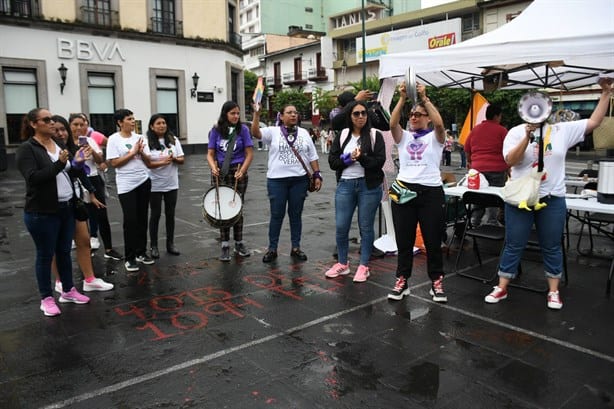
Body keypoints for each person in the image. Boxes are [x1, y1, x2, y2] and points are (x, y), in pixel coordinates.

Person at [484, 78, 613, 310]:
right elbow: (510, 161)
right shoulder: (514, 132)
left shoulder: (562, 130)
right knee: (514, 243)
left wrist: (605, 94)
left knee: (552, 244)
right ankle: (502, 286)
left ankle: (553, 291)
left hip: (552, 197)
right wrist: (527, 137)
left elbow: (594, 122)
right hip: (521, 198)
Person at [15, 108, 91, 316]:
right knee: (45, 255)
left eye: (51, 119)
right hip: (42, 211)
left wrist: (78, 163)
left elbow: (69, 172)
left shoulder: (57, 144)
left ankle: (68, 290)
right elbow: (33, 178)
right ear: (33, 124)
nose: (52, 123)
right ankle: (46, 298)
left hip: (66, 207)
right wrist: (59, 163)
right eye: (46, 120)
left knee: (64, 252)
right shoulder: (27, 149)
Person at [387, 82, 448, 303]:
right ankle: (402, 280)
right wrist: (402, 99)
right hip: (403, 188)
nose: (413, 117)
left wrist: (425, 100)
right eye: (412, 115)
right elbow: (392, 122)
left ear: (427, 118)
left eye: (419, 115)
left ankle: (437, 281)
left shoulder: (435, 137)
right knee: (404, 240)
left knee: (433, 241)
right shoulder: (403, 137)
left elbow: (440, 125)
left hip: (430, 191)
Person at [251, 104, 322, 263]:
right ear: (281, 116)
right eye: (289, 112)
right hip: (277, 181)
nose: (293, 115)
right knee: (277, 215)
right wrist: (256, 115)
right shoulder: (273, 131)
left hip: (300, 180)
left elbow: (312, 155)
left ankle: (296, 247)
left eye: (295, 112)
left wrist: (317, 174)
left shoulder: (304, 133)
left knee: (296, 215)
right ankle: (272, 248)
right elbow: (256, 133)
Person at [51, 115, 114, 292]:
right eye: (57, 130)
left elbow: (80, 173)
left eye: (63, 129)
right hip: (53, 204)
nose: (61, 133)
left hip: (74, 200)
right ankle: (60, 281)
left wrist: (92, 194)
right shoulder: (45, 150)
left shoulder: (71, 147)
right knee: (58, 245)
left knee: (84, 240)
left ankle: (89, 279)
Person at [325, 101, 386, 282]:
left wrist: (362, 158)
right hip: (346, 184)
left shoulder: (375, 135)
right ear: (350, 117)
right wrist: (349, 159)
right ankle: (343, 264)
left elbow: (378, 163)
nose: (361, 117)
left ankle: (363, 266)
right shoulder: (343, 135)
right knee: (341, 226)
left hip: (369, 186)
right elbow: (332, 161)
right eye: (356, 114)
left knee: (366, 227)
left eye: (363, 113)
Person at [106, 108, 154, 272]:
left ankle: (141, 252)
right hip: (126, 184)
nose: (133, 121)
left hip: (143, 181)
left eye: (133, 118)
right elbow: (114, 163)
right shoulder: (113, 139)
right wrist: (133, 152)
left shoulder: (140, 138)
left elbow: (148, 161)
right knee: (130, 220)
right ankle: (130, 257)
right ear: (120, 122)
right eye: (129, 119)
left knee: (142, 219)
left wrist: (142, 153)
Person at [68, 113, 122, 260]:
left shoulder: (90, 140)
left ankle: (109, 248)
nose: (79, 127)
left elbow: (100, 160)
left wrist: (91, 150)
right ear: (70, 126)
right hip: (75, 182)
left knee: (101, 214)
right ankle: (85, 247)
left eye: (82, 124)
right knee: (80, 216)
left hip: (93, 178)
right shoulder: (65, 143)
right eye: (76, 124)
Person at [207, 101, 254, 261]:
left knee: (236, 207)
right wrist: (213, 167)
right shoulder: (216, 130)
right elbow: (210, 153)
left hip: (237, 171)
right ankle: (225, 244)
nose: (236, 116)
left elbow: (249, 153)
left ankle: (239, 242)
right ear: (225, 114)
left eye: (237, 113)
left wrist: (243, 171)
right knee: (222, 208)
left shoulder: (243, 130)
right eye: (232, 113)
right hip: (220, 171)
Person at [146, 114, 185, 258]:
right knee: (155, 215)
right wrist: (162, 162)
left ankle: (170, 244)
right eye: (158, 123)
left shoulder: (173, 140)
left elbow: (182, 159)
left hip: (171, 183)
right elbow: (146, 163)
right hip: (154, 184)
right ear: (151, 126)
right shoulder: (146, 142)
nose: (162, 125)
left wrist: (175, 159)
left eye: (163, 123)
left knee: (170, 215)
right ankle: (154, 246)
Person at [464, 104, 509, 225]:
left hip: (477, 169)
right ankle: (492, 221)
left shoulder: (476, 129)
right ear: (496, 116)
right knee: (494, 198)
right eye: (500, 116)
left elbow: (467, 148)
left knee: (477, 198)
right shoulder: (502, 130)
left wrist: (470, 161)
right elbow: (508, 151)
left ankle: (475, 221)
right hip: (497, 169)